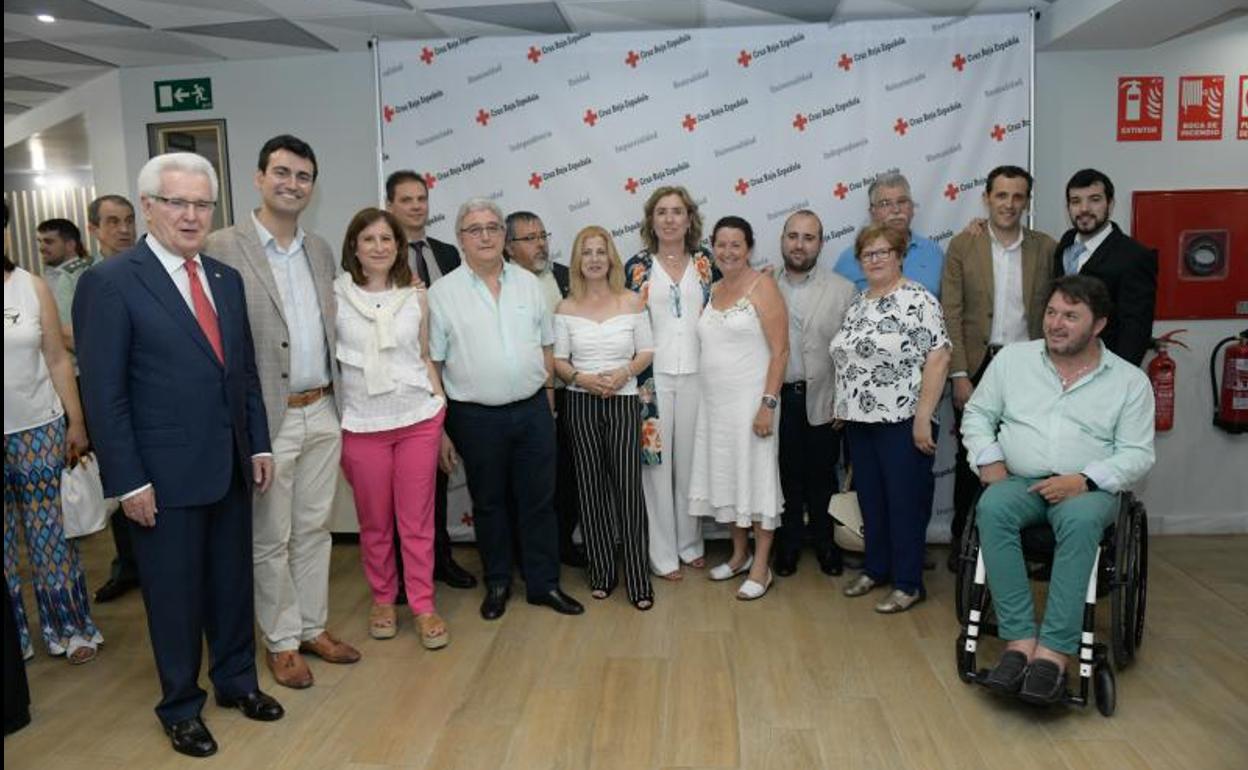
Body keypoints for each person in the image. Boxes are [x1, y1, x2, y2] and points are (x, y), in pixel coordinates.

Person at [73, 152, 282, 758]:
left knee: (231, 586)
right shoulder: (110, 282)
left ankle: (237, 682)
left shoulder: (224, 278)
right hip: (161, 479)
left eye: (201, 204)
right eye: (177, 202)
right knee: (174, 597)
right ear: (147, 207)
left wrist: (259, 440)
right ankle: (180, 706)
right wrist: (129, 480)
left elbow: (241, 374)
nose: (191, 216)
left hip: (230, 466)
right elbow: (104, 394)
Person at [205, 135, 358, 690]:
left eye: (303, 176)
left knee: (315, 529)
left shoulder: (318, 249)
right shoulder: (223, 247)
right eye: (282, 173)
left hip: (322, 409)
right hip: (267, 418)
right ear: (258, 177)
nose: (292, 184)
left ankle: (313, 627)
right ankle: (281, 640)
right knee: (271, 535)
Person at [963, 275, 1155, 704]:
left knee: (1081, 520)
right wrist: (989, 458)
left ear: (1098, 324)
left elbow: (1138, 454)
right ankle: (1018, 642)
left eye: (1071, 316)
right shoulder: (1013, 360)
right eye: (1052, 313)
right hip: (1020, 481)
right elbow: (977, 413)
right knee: (991, 509)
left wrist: (1084, 480)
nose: (1056, 323)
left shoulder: (1128, 382)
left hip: (1088, 488)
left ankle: (1053, 652)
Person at [428, 198, 583, 621]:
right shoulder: (441, 294)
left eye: (493, 227)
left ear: (503, 236)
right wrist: (440, 428)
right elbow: (434, 364)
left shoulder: (529, 284)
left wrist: (548, 401)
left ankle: (544, 584)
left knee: (539, 501)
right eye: (475, 229)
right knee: (489, 503)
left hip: (533, 410)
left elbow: (547, 345)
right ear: (461, 239)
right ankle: (497, 582)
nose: (485, 236)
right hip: (474, 417)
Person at [336, 207, 450, 650]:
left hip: (417, 419)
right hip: (362, 424)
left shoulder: (416, 296)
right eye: (369, 240)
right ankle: (384, 599)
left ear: (399, 247)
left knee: (416, 520)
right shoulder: (337, 295)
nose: (379, 247)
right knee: (375, 520)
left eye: (387, 239)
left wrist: (440, 408)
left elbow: (424, 355)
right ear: (355, 248)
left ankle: (423, 605)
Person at [830, 224, 951, 613]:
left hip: (903, 420)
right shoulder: (860, 302)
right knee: (872, 500)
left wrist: (923, 418)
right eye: (868, 254)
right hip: (860, 422)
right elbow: (850, 358)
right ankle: (876, 568)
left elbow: (939, 356)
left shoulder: (917, 299)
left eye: (884, 252)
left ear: (900, 255)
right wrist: (841, 405)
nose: (876, 259)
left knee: (904, 502)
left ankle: (908, 583)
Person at [941, 166, 1056, 565]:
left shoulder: (1046, 247)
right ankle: (964, 542)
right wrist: (958, 373)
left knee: (1027, 451)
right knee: (970, 456)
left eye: (1017, 196)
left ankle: (1022, 543)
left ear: (1027, 201)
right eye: (1001, 195)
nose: (1009, 204)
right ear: (987, 198)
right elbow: (950, 312)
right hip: (977, 362)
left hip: (1028, 365)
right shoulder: (963, 245)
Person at [5, 234, 100, 666]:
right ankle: (13, 639)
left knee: (51, 536)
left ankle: (71, 628)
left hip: (39, 427)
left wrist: (75, 420)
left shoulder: (30, 285)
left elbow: (58, 358)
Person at [553, 226, 655, 610]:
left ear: (611, 257)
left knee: (629, 490)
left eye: (601, 251)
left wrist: (623, 374)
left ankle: (639, 578)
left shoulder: (631, 301)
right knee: (590, 489)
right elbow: (559, 361)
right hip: (580, 402)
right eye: (586, 252)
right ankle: (601, 572)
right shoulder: (564, 308)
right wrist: (581, 379)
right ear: (577, 260)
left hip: (624, 400)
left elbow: (646, 350)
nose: (594, 258)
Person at [385, 170, 475, 590]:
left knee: (439, 479)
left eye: (421, 198)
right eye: (406, 200)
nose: (416, 206)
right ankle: (403, 573)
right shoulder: (383, 254)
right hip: (405, 384)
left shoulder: (447, 252)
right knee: (403, 489)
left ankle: (441, 558)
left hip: (450, 379)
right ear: (390, 206)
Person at [690, 216, 789, 600]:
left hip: (753, 405)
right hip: (715, 408)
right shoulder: (712, 289)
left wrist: (768, 404)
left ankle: (762, 568)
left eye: (737, 244)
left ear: (749, 248)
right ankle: (739, 556)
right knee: (727, 478)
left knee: (758, 480)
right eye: (722, 244)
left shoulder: (762, 286)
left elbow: (780, 351)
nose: (728, 251)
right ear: (712, 247)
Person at [623, 185, 717, 580]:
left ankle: (690, 543)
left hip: (699, 376)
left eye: (677, 211)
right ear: (651, 220)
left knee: (690, 464)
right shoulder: (638, 266)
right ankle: (661, 554)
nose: (669, 219)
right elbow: (628, 322)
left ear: (689, 218)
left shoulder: (706, 263)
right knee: (655, 467)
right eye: (661, 212)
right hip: (652, 381)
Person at [773, 210, 856, 578]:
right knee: (785, 476)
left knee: (823, 478)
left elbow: (853, 354)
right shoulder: (763, 285)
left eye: (808, 238)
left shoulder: (843, 289)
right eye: (793, 236)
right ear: (782, 240)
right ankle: (787, 545)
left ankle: (826, 544)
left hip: (824, 397)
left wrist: (845, 400)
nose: (799, 244)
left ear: (820, 243)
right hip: (778, 399)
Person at [505, 211, 585, 568]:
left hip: (571, 391)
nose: (541, 244)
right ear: (508, 247)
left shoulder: (568, 276)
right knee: (526, 481)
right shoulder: (502, 285)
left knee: (569, 474)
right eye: (529, 238)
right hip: (526, 395)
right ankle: (522, 555)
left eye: (543, 235)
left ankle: (563, 543)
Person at [86, 195, 141, 605]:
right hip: (110, 402)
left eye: (128, 220)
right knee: (123, 491)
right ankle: (127, 565)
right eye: (112, 221)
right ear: (94, 229)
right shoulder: (92, 279)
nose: (122, 229)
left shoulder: (148, 272)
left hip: (150, 406)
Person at [1053, 168, 1157, 366]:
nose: (1084, 208)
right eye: (1076, 201)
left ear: (1110, 203)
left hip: (1104, 368)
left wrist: (1118, 378)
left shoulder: (1134, 256)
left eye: (1094, 199)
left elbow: (1136, 328)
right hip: (1063, 363)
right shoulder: (1066, 243)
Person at [832, 172, 945, 297]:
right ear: (872, 212)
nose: (896, 210)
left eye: (902, 201)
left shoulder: (933, 252)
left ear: (912, 207)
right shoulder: (850, 259)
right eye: (885, 203)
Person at [36, 218, 91, 342]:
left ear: (70, 245)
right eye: (40, 242)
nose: (41, 247)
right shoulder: (49, 275)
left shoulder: (84, 274)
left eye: (48, 242)